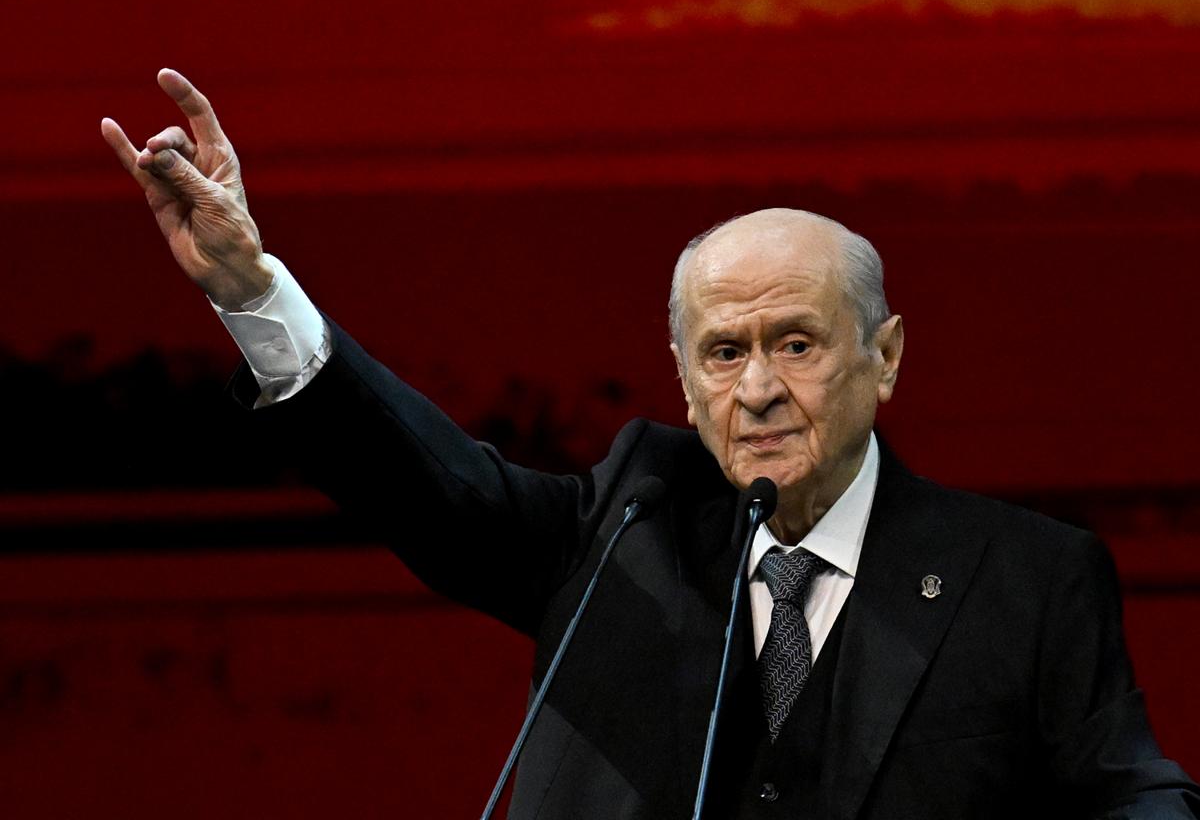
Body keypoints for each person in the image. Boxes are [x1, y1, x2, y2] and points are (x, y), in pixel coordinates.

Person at [102, 70, 1199, 819]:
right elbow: (425, 483)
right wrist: (253, 290)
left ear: (886, 357)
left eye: (796, 343)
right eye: (723, 353)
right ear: (683, 377)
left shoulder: (1029, 579)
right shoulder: (628, 523)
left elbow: (1134, 791)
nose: (757, 389)